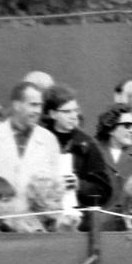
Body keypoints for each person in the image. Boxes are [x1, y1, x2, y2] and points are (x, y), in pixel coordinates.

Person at [40, 84, 114, 221]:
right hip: (43, 216)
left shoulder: (87, 144)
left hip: (78, 221)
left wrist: (79, 185)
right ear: (52, 114)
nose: (74, 116)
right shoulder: (38, 141)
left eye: (75, 111)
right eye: (67, 112)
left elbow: (104, 191)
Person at [0, 81, 60, 201]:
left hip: (36, 216)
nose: (38, 111)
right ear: (16, 105)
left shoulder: (49, 140)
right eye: (33, 105)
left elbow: (55, 183)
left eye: (40, 105)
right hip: (0, 214)